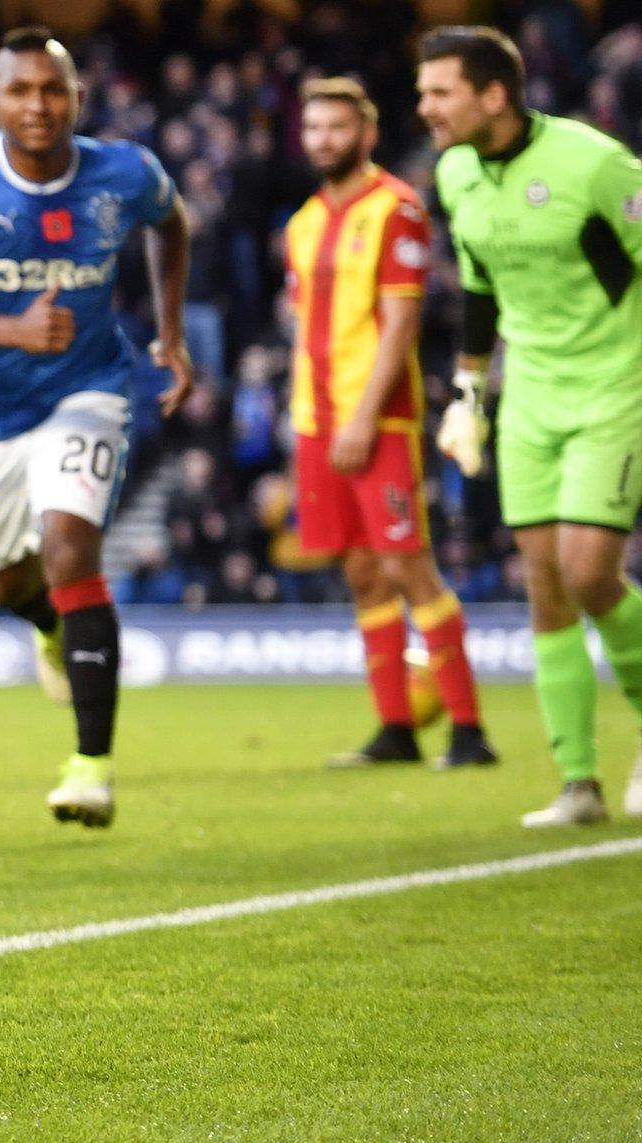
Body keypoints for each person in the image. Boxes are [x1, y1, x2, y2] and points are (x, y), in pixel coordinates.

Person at [0, 27, 192, 829]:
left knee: (69, 544)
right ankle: (53, 628)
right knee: (12, 581)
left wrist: (172, 332)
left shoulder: (123, 173)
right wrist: (11, 332)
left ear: (77, 100)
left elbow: (173, 222)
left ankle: (91, 765)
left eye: (52, 89)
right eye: (20, 91)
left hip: (88, 388)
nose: (38, 105)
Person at [419, 27, 642, 826]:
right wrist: (468, 393)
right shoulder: (454, 173)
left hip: (617, 384)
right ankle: (578, 783)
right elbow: (479, 288)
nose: (425, 108)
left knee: (589, 572)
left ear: (493, 95)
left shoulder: (592, 162)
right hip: (531, 396)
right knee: (544, 584)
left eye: (440, 92)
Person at [284, 77, 497, 770]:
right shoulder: (304, 222)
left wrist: (364, 417)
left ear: (367, 134)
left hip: (378, 420)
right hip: (316, 420)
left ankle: (469, 729)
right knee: (362, 573)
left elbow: (401, 322)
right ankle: (396, 728)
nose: (324, 141)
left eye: (337, 128)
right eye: (314, 128)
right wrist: (315, 420)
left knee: (409, 566)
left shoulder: (396, 209)